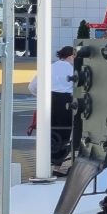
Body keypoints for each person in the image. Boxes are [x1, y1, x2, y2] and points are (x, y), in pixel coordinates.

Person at [29, 46, 76, 175]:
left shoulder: (49, 67)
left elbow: (32, 86)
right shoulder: (73, 69)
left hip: (47, 101)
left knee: (48, 132)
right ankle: (57, 167)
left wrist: (42, 96)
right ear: (71, 56)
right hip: (65, 103)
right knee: (64, 133)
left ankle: (44, 166)